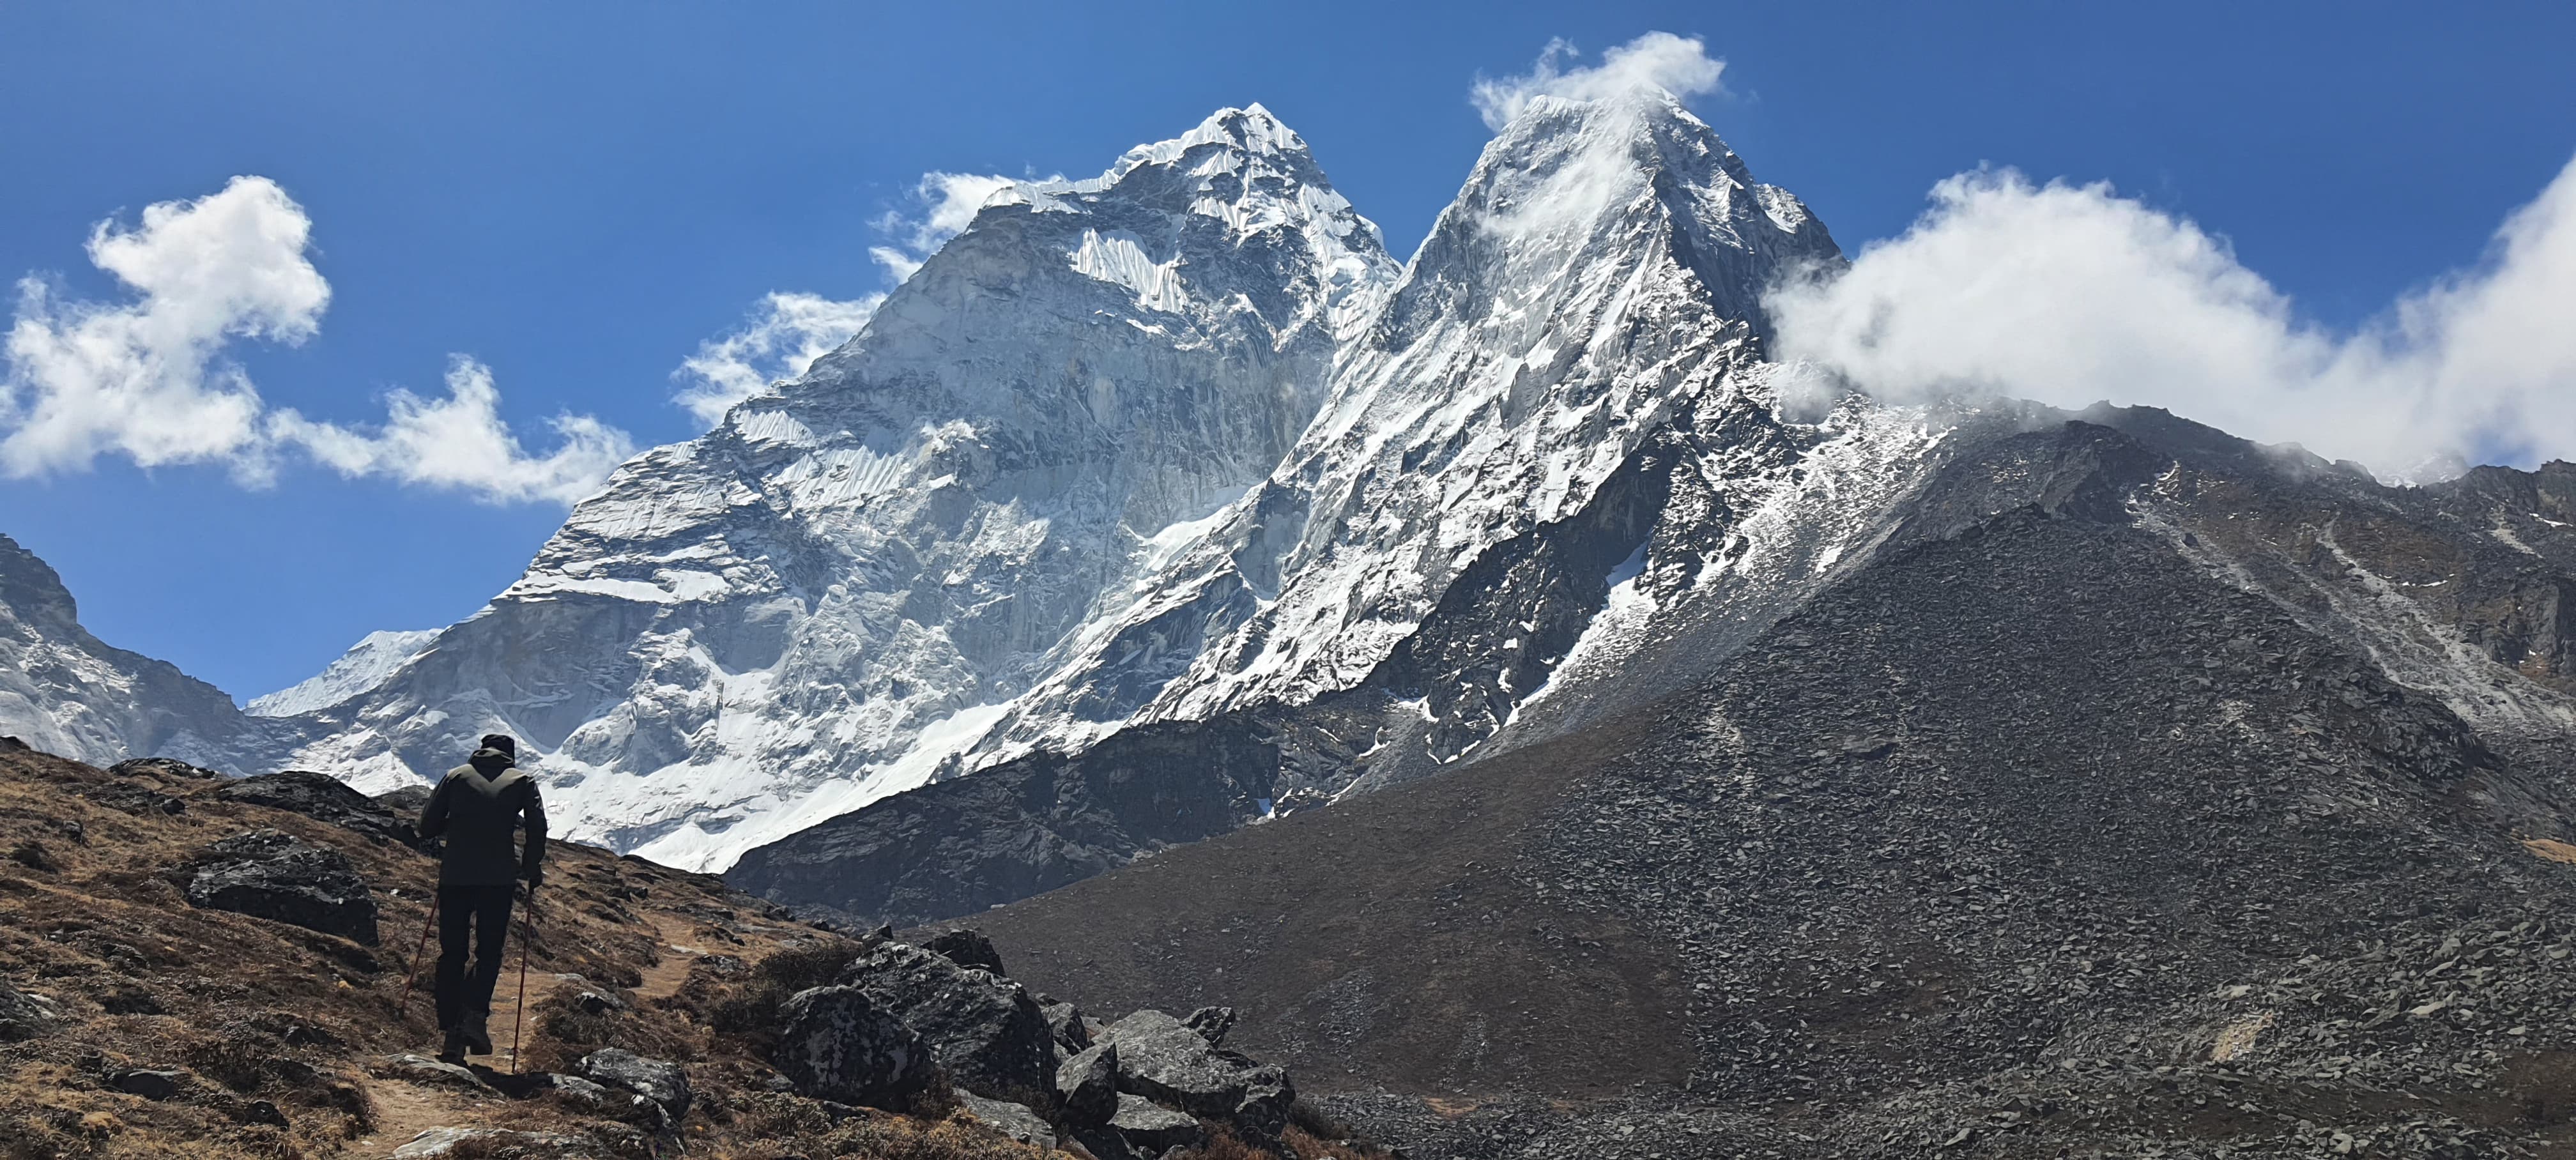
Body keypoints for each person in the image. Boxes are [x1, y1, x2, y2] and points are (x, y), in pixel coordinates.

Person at [417, 733, 546, 1062]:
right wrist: (531, 868)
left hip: (456, 876)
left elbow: (427, 826)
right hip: (498, 880)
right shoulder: (522, 781)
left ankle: (451, 1032)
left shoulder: (456, 776)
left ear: (480, 750)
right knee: (488, 952)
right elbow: (538, 827)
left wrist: (458, 825)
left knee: (452, 953)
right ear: (510, 756)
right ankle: (474, 1015)